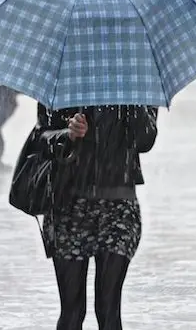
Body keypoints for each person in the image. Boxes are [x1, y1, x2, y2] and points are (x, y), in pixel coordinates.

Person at [29, 103, 157, 330]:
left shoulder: (137, 81)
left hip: (118, 208)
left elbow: (145, 139)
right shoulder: (66, 80)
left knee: (108, 309)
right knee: (72, 310)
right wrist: (67, 134)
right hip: (68, 207)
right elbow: (41, 138)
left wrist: (130, 102)